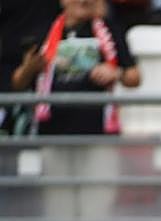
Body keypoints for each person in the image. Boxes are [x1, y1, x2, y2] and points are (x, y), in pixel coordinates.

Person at [10, 0, 141, 135]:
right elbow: (17, 84)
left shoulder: (110, 30)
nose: (83, 1)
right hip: (52, 131)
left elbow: (135, 78)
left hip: (98, 130)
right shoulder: (43, 31)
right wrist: (29, 68)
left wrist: (116, 73)